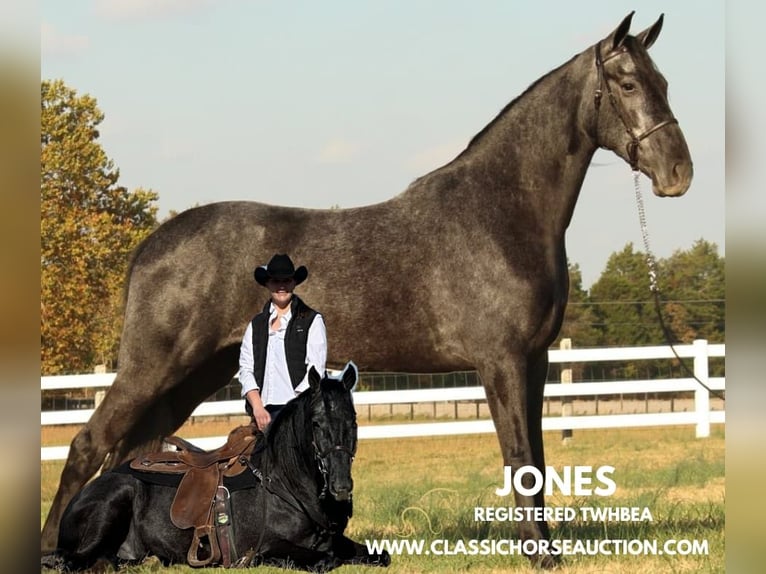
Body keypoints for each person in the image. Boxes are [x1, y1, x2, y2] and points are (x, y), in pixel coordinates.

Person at [238, 253, 327, 431]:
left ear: (294, 283)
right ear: (268, 284)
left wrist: (295, 407)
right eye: (275, 281)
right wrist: (257, 406)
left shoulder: (311, 320)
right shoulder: (256, 325)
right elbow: (246, 368)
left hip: (298, 412)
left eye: (286, 281)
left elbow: (316, 369)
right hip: (262, 414)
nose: (281, 286)